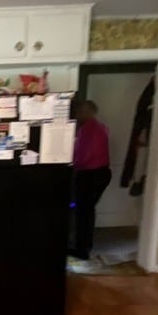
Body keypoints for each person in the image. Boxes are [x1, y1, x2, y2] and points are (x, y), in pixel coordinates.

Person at [70, 100, 111, 260]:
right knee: (87, 212)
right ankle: (85, 246)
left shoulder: (88, 130)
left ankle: (82, 250)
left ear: (85, 112)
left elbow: (83, 157)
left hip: (90, 175)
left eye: (79, 111)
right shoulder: (101, 128)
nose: (77, 115)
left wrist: (71, 165)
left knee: (84, 214)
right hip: (102, 174)